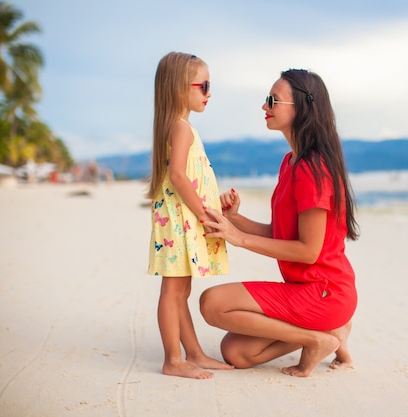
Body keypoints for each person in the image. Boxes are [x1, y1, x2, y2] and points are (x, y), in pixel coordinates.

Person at [200, 68, 359, 377]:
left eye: (272, 101)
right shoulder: (290, 162)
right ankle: (326, 336)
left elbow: (308, 251)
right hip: (305, 290)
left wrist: (238, 238)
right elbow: (282, 235)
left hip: (324, 292)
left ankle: (322, 335)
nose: (264, 107)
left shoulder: (313, 169)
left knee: (213, 304)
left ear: (300, 109)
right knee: (237, 352)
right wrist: (235, 220)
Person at [146, 52, 233, 379]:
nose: (209, 93)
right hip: (181, 220)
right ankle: (173, 359)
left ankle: (193, 352)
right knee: (173, 290)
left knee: (181, 290)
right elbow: (180, 177)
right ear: (179, 88)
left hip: (181, 219)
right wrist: (204, 213)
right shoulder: (181, 129)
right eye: (204, 86)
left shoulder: (179, 127)